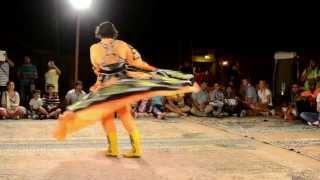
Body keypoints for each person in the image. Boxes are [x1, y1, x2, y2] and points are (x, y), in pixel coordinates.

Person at [54, 21, 198, 158]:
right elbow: (137, 62)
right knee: (125, 115)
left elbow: (96, 68)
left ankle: (114, 149)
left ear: (99, 33)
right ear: (114, 33)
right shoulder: (123, 45)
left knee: (107, 117)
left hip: (106, 87)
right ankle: (136, 149)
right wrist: (151, 71)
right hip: (123, 85)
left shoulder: (94, 48)